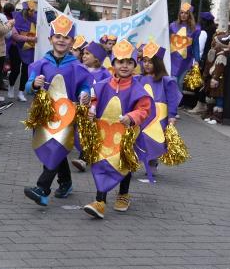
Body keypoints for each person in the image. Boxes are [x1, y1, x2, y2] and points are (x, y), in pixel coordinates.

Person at [23, 14, 91, 206]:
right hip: (44, 114)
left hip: (67, 115)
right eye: (58, 36)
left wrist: (84, 95)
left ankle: (42, 189)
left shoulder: (77, 66)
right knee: (52, 147)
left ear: (72, 42)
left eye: (66, 37)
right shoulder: (41, 64)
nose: (61, 40)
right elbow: (28, 87)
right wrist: (34, 84)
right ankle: (66, 182)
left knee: (56, 147)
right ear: (50, 39)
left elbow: (84, 86)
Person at [83, 40, 156, 219]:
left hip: (126, 135)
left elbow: (144, 109)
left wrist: (131, 117)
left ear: (134, 65)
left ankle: (123, 194)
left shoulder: (137, 89)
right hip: (103, 135)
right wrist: (90, 110)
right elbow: (93, 102)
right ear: (113, 64)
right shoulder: (101, 85)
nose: (124, 66)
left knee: (123, 164)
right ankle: (100, 201)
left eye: (129, 62)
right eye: (120, 62)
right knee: (101, 163)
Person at [137, 41, 182, 175]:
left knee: (154, 138)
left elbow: (172, 99)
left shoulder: (166, 81)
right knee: (139, 137)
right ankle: (133, 160)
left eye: (150, 62)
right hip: (143, 114)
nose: (146, 64)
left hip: (159, 116)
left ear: (157, 63)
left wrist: (172, 116)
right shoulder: (139, 79)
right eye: (144, 61)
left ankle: (152, 162)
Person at [69, 41, 111, 172]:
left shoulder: (105, 74)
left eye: (87, 53)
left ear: (97, 58)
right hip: (78, 107)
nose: (84, 56)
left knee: (89, 132)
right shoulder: (79, 69)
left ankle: (83, 159)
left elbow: (106, 92)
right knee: (77, 132)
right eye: (83, 53)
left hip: (94, 110)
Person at [169, 3, 200, 98]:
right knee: (172, 81)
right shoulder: (172, 26)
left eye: (186, 13)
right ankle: (171, 105)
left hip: (186, 61)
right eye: (181, 13)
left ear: (189, 15)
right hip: (172, 59)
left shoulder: (195, 29)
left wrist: (197, 60)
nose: (183, 15)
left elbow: (195, 45)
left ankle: (176, 106)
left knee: (179, 83)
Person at [189, 12, 217, 114]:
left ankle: (199, 105)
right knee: (204, 82)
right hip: (210, 60)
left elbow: (199, 48)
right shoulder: (213, 31)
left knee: (199, 83)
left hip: (202, 61)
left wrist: (195, 61)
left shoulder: (203, 32)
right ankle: (202, 104)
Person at [9, 0, 37, 102]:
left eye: (33, 10)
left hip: (29, 48)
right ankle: (11, 86)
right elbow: (15, 36)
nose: (32, 12)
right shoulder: (17, 18)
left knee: (25, 70)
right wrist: (29, 39)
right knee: (15, 69)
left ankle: (21, 92)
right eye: (30, 10)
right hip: (16, 47)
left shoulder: (36, 18)